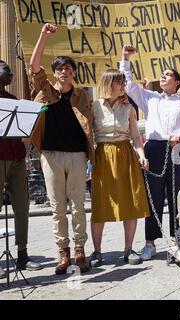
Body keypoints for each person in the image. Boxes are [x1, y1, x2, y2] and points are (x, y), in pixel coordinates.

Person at [120, 45, 180, 260]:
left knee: (179, 195)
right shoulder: (150, 97)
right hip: (155, 148)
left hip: (179, 147)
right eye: (162, 75)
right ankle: (150, 242)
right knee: (153, 195)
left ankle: (178, 239)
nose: (163, 77)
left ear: (177, 82)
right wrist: (125, 58)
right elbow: (128, 85)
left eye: (168, 75)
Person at [29, 23, 93, 274]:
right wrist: (43, 36)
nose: (64, 72)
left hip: (77, 155)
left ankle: (80, 250)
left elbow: (92, 126)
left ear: (74, 73)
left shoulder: (83, 96)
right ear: (54, 74)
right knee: (57, 207)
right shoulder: (46, 90)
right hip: (51, 154)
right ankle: (62, 251)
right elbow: (34, 67)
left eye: (68, 68)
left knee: (78, 205)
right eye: (59, 69)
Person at [89, 69, 150, 267]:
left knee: (130, 203)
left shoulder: (128, 107)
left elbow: (135, 137)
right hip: (102, 156)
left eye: (124, 82)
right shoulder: (94, 106)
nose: (124, 86)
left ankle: (128, 249)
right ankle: (97, 251)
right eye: (120, 82)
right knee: (100, 204)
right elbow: (88, 135)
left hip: (125, 154)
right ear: (109, 83)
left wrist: (141, 155)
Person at [0, 60, 43, 279]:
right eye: (7, 71)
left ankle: (23, 253)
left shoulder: (13, 100)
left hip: (17, 157)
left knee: (22, 205)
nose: (12, 74)